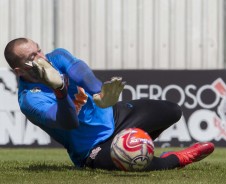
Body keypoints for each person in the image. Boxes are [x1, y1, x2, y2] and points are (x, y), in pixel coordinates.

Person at [3, 38, 214, 170]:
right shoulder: (29, 99)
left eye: (39, 50)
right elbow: (69, 124)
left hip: (115, 116)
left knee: (172, 111)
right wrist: (60, 91)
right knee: (138, 163)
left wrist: (100, 93)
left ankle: (134, 142)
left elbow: (85, 76)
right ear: (19, 70)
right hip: (91, 148)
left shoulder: (56, 56)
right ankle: (177, 158)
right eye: (32, 56)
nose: (42, 58)